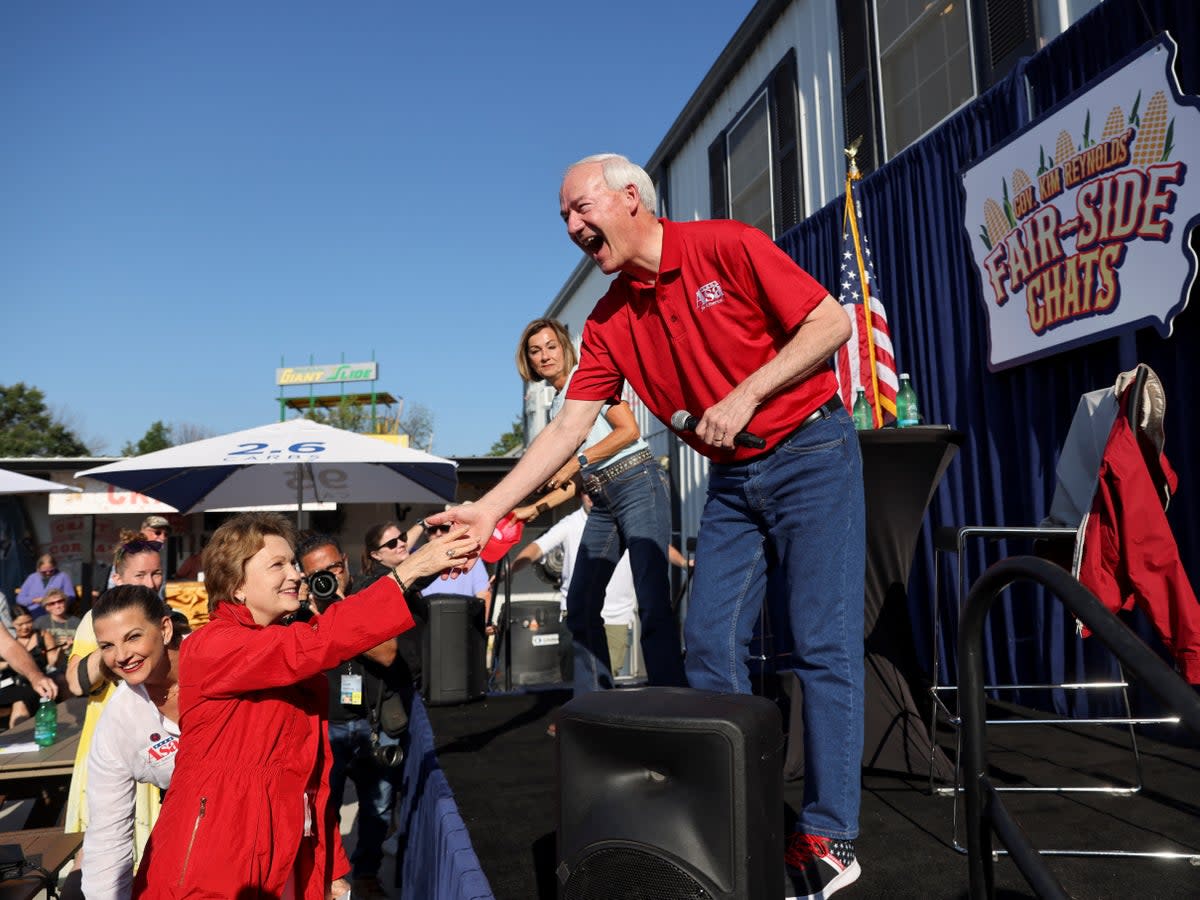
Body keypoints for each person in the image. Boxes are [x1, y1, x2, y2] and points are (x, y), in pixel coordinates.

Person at [429, 153, 866, 899]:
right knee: (707, 642)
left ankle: (831, 838)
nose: (571, 226)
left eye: (579, 207)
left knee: (821, 642)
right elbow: (568, 428)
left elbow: (831, 323)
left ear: (631, 197)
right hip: (734, 477)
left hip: (811, 450)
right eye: (563, 217)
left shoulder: (725, 245)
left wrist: (746, 394)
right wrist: (490, 506)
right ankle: (748, 816)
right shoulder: (603, 325)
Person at [132, 511, 477, 898]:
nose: (296, 574)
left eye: (293, 563)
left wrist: (329, 865)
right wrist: (411, 568)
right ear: (237, 585)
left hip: (280, 853)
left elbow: (308, 779)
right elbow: (316, 643)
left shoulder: (281, 641)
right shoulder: (212, 645)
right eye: (277, 564)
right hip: (214, 862)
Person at [513, 316, 685, 693]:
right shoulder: (558, 403)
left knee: (652, 596)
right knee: (581, 603)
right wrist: (534, 509)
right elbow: (576, 482)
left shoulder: (584, 379)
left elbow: (629, 431)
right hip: (603, 497)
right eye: (535, 350)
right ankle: (595, 702)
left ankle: (672, 697)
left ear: (564, 347)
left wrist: (577, 461)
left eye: (550, 346)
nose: (544, 356)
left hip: (637, 481)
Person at [297, 531, 399, 900]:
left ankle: (368, 872)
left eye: (335, 567)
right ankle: (328, 876)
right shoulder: (300, 611)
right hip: (326, 725)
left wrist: (341, 612)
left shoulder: (369, 596)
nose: (329, 578)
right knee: (323, 809)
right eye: (317, 574)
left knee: (379, 804)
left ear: (347, 561)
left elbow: (387, 652)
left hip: (372, 722)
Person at [62, 537, 168, 874]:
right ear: (119, 578)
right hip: (110, 755)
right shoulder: (96, 619)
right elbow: (75, 682)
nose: (150, 583)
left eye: (156, 573)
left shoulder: (167, 618)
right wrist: (115, 640)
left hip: (158, 752)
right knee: (99, 858)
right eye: (140, 575)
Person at [81, 585, 182, 899]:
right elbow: (108, 835)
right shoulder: (119, 722)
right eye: (107, 646)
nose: (121, 656)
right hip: (197, 838)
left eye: (133, 636)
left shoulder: (221, 663)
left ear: (164, 629)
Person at [0, 609, 59, 726]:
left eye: (28, 622)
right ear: (12, 624)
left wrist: (35, 676)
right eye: (20, 624)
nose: (25, 627)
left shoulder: (42, 635)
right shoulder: (15, 638)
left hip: (28, 683)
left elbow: (7, 645)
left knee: (21, 701)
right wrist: (8, 664)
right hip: (9, 682)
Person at [17, 553, 75, 617]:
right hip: (33, 612)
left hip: (55, 611)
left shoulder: (63, 576)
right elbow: (20, 599)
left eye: (51, 571)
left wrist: (54, 601)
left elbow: (71, 597)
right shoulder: (32, 578)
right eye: (44, 572)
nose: (48, 573)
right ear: (38, 569)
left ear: (55, 566)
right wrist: (34, 600)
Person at [34, 588, 80, 656]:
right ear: (46, 607)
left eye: (60, 601)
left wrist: (74, 643)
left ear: (65, 602)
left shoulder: (77, 622)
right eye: (52, 603)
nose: (57, 606)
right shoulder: (40, 622)